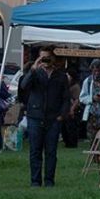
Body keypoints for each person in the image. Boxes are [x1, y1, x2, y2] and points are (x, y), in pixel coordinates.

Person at [19, 49, 70, 187]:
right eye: (42, 58)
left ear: (53, 59)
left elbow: (66, 98)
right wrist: (33, 69)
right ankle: (35, 181)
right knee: (35, 150)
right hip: (35, 116)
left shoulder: (61, 76)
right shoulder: (35, 73)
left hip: (53, 118)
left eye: (47, 58)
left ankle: (49, 180)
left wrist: (62, 115)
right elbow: (24, 86)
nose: (45, 60)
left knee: (51, 151)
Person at [61, 69, 81, 148]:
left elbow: (77, 99)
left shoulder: (75, 87)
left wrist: (72, 109)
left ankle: (72, 143)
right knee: (65, 127)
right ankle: (67, 142)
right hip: (66, 109)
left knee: (71, 127)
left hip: (73, 109)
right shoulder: (66, 86)